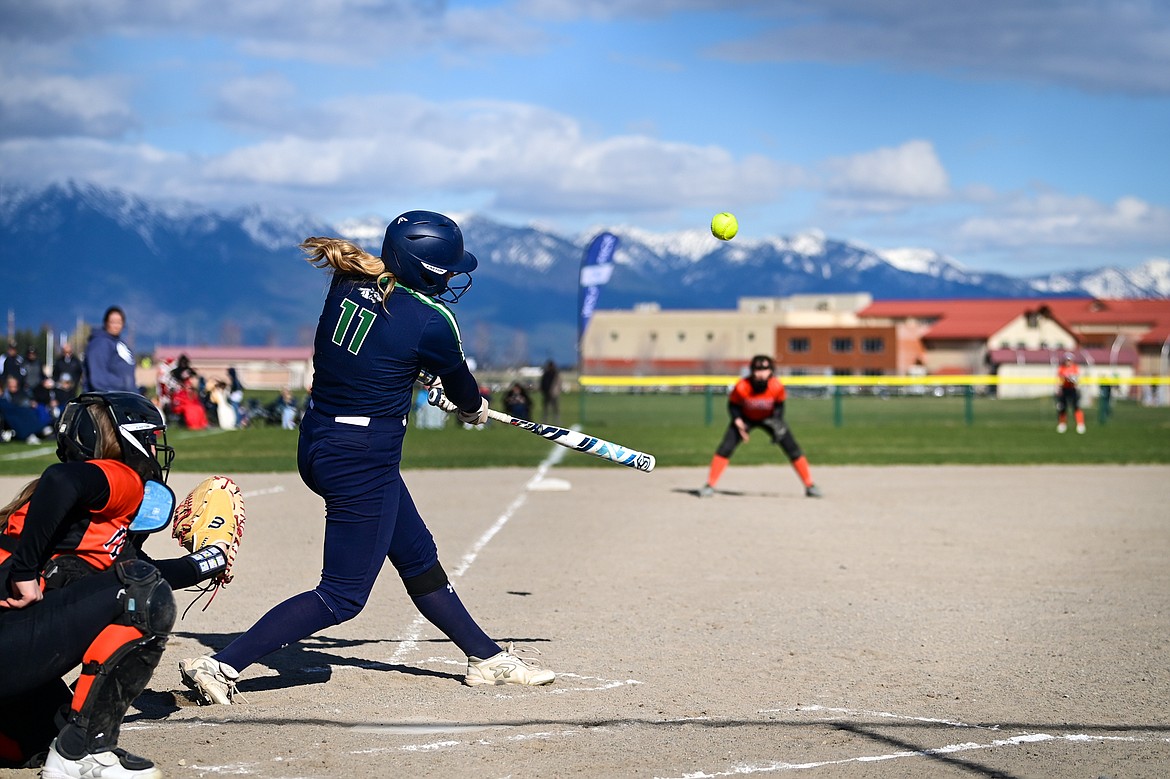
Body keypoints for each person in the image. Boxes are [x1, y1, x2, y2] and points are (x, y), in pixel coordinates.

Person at [178, 210, 554, 706]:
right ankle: (221, 665)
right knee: (341, 596)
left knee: (417, 555)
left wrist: (419, 376)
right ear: (427, 269)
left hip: (319, 442)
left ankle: (485, 659)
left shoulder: (347, 281)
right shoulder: (433, 321)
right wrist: (471, 407)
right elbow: (462, 389)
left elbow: (378, 353)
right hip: (361, 457)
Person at [0, 392, 242, 774]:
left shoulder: (73, 515)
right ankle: (84, 753)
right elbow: (59, 477)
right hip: (9, 648)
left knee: (42, 738)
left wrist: (206, 561)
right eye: (149, 438)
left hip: (14, 647)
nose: (153, 449)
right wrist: (26, 572)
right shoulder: (120, 478)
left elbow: (137, 568)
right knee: (140, 594)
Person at [698, 354, 822, 499]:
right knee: (725, 447)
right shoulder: (742, 386)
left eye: (764, 369)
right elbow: (733, 405)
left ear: (771, 371)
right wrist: (737, 420)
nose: (760, 373)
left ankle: (810, 485)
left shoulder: (776, 386)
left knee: (792, 447)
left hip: (769, 418)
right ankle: (710, 485)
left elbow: (779, 406)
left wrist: (777, 422)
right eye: (757, 369)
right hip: (745, 418)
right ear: (751, 371)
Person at [83, 306, 136, 393]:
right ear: (106, 322)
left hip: (124, 398)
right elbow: (98, 379)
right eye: (113, 322)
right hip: (105, 400)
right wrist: (122, 386)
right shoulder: (100, 343)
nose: (116, 326)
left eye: (119, 322)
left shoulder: (120, 344)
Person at [1056, 352, 1086, 434]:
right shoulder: (1061, 368)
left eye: (1069, 360)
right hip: (1064, 389)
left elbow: (1077, 379)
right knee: (1062, 407)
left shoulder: (1075, 368)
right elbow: (1059, 379)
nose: (1068, 362)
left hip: (1073, 389)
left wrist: (1072, 378)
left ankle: (1080, 424)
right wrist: (1058, 388)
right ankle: (1062, 424)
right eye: (1067, 360)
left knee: (1076, 407)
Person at [539, 359, 561, 424]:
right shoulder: (547, 374)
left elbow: (557, 383)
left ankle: (556, 420)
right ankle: (546, 420)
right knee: (547, 408)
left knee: (554, 408)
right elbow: (543, 383)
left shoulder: (554, 374)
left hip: (551, 393)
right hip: (547, 393)